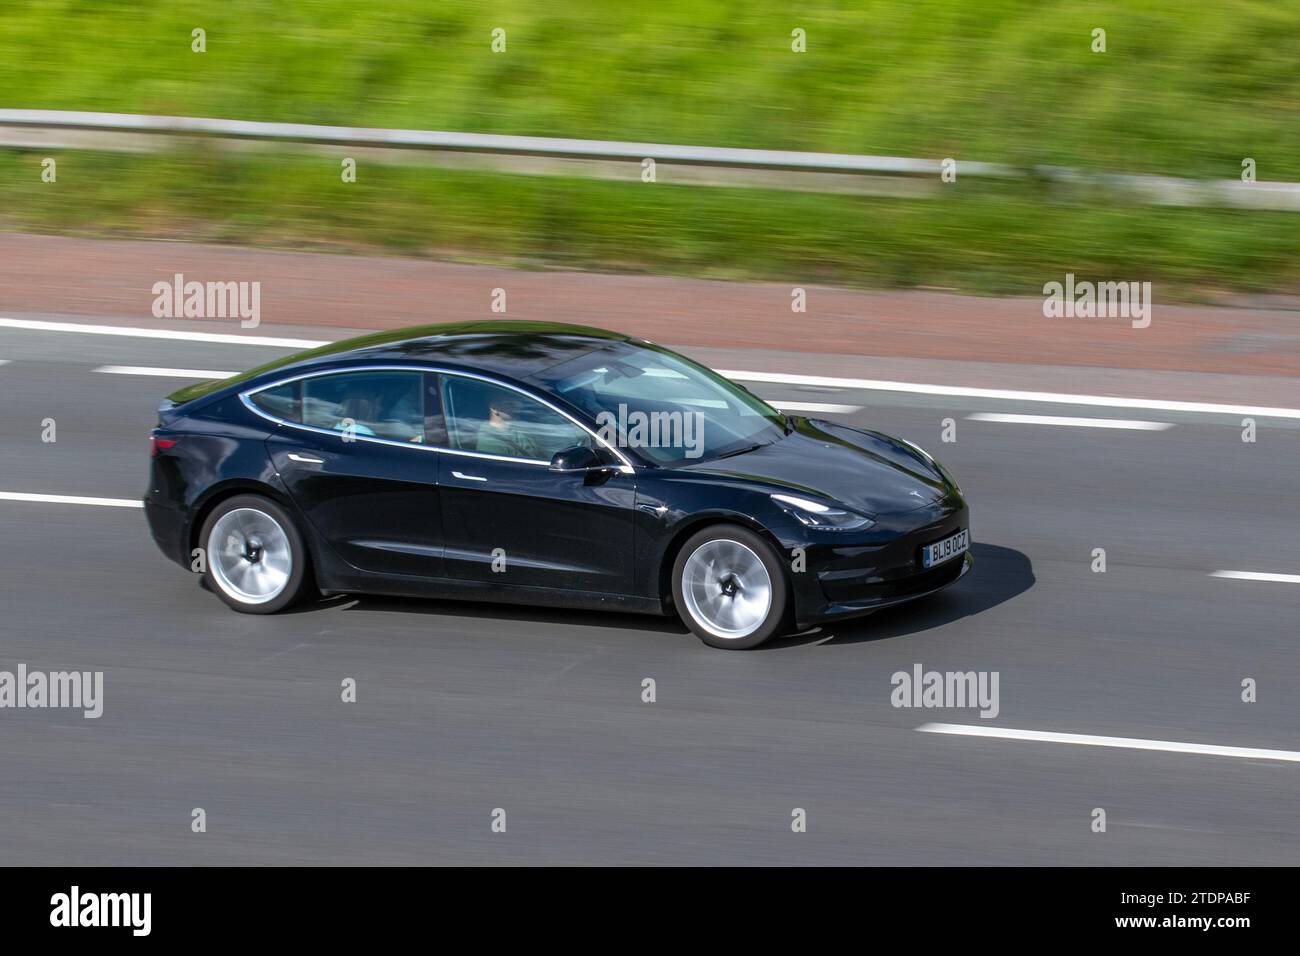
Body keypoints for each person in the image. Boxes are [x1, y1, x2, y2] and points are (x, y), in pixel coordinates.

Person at [476, 391, 541, 459]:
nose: (516, 407)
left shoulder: (518, 429)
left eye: (516, 402)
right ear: (494, 408)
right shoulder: (489, 441)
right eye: (510, 403)